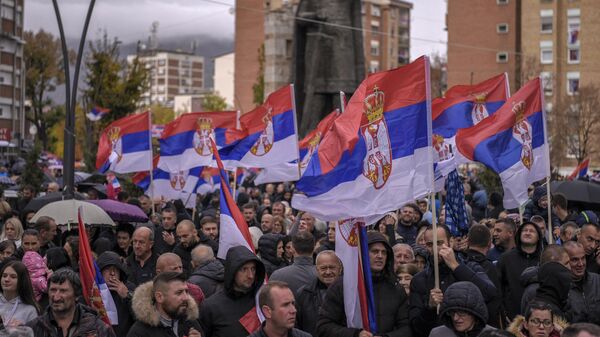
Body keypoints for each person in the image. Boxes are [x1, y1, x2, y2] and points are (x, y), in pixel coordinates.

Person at [317, 231, 412, 337]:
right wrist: (355, 334)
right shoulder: (342, 285)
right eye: (374, 251)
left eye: (384, 252)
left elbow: (406, 329)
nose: (380, 256)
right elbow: (324, 326)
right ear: (363, 253)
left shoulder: (396, 288)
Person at [409, 224, 497, 337]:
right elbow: (416, 327)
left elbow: (489, 294)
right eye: (430, 245)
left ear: (450, 242)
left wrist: (456, 267)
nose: (435, 249)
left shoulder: (471, 267)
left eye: (439, 243)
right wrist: (429, 308)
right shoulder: (419, 280)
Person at [199, 245, 266, 337]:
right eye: (244, 269)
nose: (250, 275)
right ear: (232, 271)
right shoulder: (210, 306)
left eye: (253, 269)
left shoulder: (261, 299)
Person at [26, 268, 115, 337]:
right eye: (53, 290)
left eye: (63, 291)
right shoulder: (33, 328)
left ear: (76, 295)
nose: (56, 297)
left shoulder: (97, 329)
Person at [127, 272, 202, 337]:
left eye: (186, 291)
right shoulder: (139, 332)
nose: (186, 297)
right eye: (179, 293)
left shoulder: (190, 322)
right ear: (159, 297)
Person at [497, 221, 543, 320]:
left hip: (539, 318)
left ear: (538, 236)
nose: (527, 233)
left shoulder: (544, 259)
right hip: (512, 317)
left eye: (532, 231)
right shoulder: (506, 258)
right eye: (524, 230)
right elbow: (498, 287)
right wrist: (504, 312)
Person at [296, 250, 341, 336]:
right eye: (323, 268)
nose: (328, 272)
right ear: (316, 270)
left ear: (340, 269)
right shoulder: (304, 294)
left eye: (332, 267)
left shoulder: (350, 294)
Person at [465, 224, 502, 328]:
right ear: (490, 244)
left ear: (468, 241)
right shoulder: (490, 268)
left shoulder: (460, 264)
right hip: (486, 326)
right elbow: (495, 301)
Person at [428, 281, 495, 337]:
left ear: (475, 313)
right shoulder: (437, 334)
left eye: (461, 313)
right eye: (451, 312)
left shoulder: (494, 335)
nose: (455, 318)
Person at [97, 251, 135, 337]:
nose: (112, 273)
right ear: (100, 271)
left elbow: (140, 317)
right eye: (107, 269)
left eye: (116, 269)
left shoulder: (130, 288)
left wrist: (128, 296)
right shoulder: (93, 290)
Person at [563, 241, 600, 325]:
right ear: (564, 261)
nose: (581, 264)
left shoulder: (597, 281)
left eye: (583, 258)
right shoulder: (560, 287)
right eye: (574, 260)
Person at [0, 261, 39, 327]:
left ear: (22, 281)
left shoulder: (30, 310)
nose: (6, 279)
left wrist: (22, 330)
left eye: (13, 277)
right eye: (4, 276)